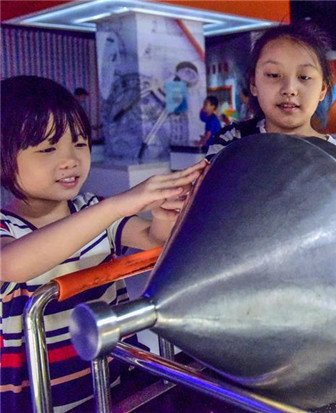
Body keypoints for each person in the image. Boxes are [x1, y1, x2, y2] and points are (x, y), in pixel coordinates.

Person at [0, 76, 206, 412]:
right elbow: (12, 264)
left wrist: (165, 213)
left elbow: (153, 239)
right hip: (40, 396)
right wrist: (115, 206)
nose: (70, 159)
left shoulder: (91, 208)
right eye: (48, 148)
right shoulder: (7, 227)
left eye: (80, 143)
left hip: (110, 382)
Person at [206, 23, 336, 156]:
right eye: (273, 75)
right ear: (254, 84)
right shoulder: (231, 141)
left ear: (322, 89)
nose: (289, 89)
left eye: (304, 77)